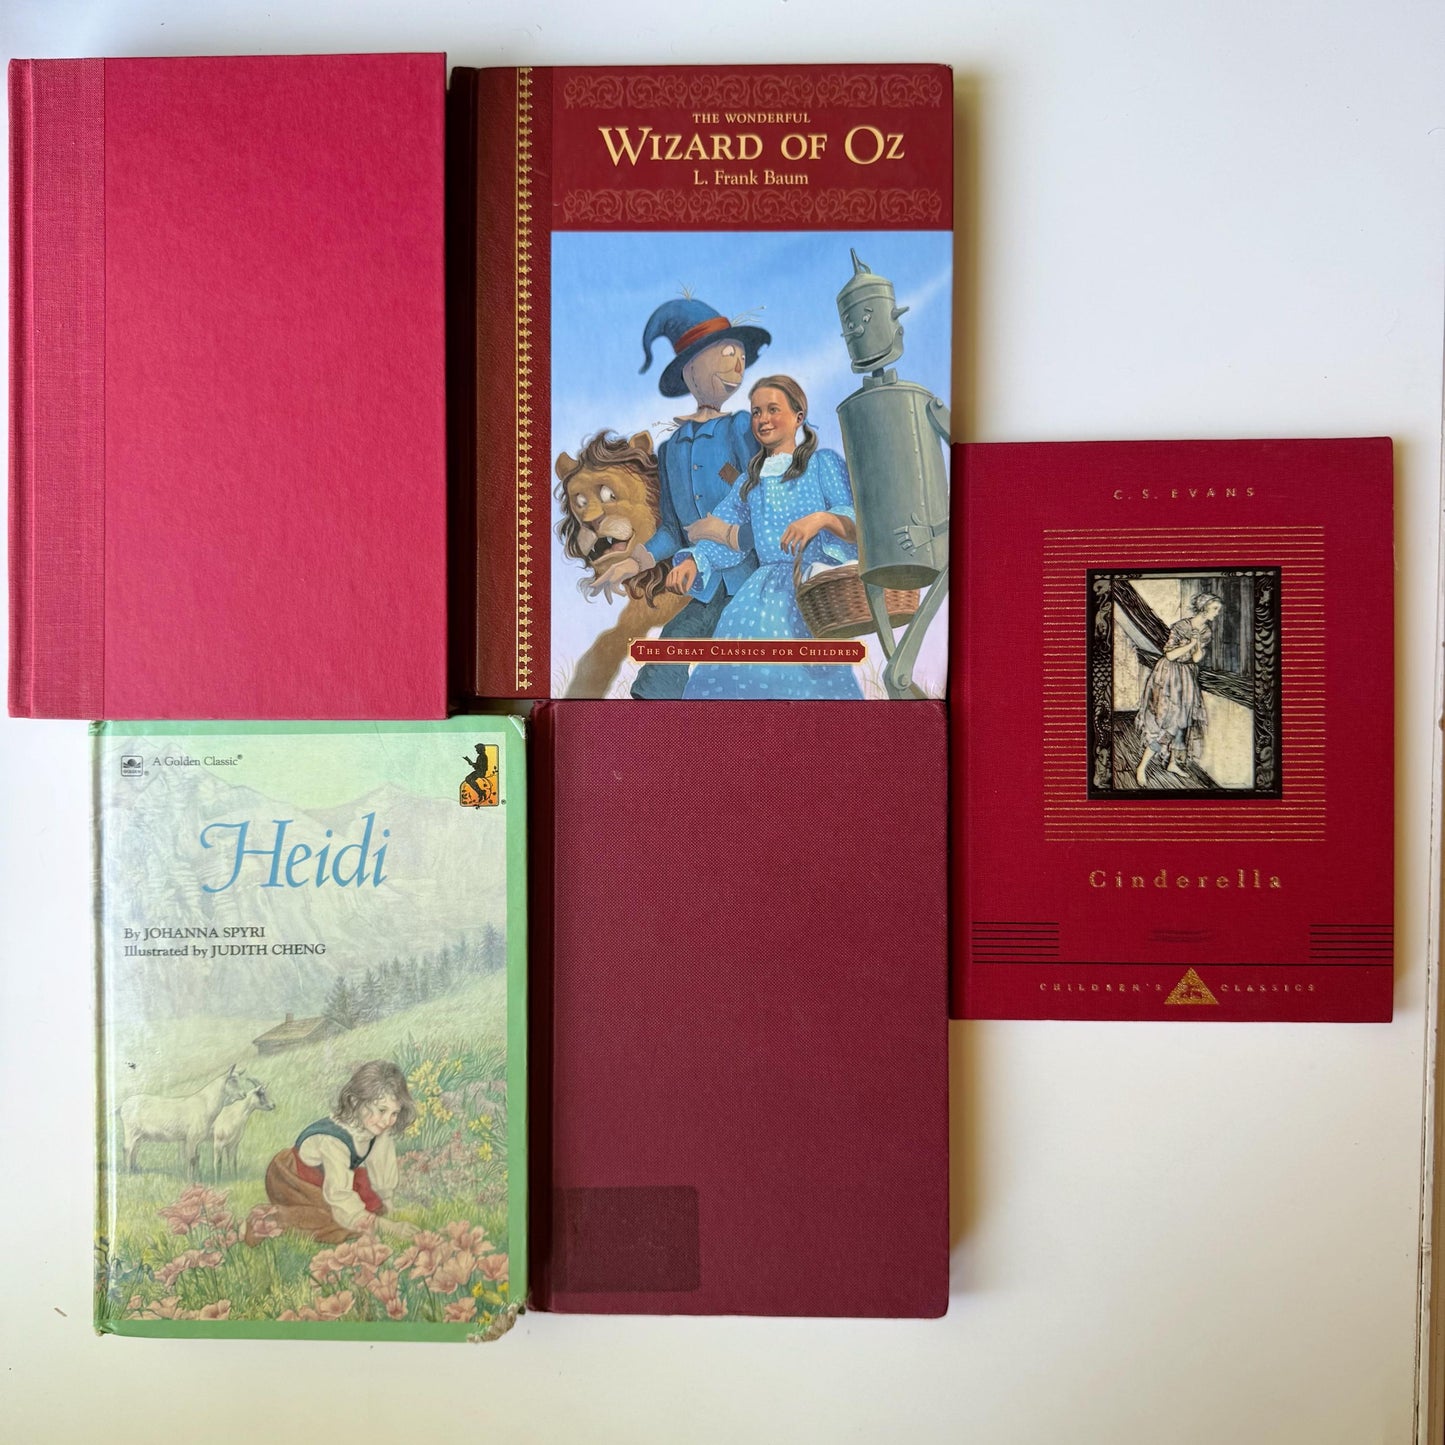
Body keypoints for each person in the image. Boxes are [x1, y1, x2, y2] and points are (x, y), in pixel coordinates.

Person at [592, 296, 770, 699]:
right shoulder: (671, 449)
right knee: (660, 671)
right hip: (706, 587)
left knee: (729, 677)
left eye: (741, 357)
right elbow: (673, 530)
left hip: (752, 582)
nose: (738, 366)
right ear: (690, 368)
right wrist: (633, 563)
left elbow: (761, 500)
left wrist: (728, 535)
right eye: (727, 354)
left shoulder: (741, 428)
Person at [667, 375, 864, 700]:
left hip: (814, 592)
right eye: (756, 412)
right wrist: (694, 561)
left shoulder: (822, 464)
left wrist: (821, 519)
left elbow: (855, 524)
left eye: (773, 409)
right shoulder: (750, 481)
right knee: (733, 668)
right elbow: (725, 533)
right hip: (761, 594)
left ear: (798, 416)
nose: (763, 419)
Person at [253, 1059, 418, 1244]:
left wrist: (387, 1204)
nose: (387, 1120)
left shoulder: (377, 1126)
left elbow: (381, 1163)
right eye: (381, 1110)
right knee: (330, 1221)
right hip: (294, 1180)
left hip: (330, 1176)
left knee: (369, 1201)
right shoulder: (333, 1141)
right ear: (355, 1101)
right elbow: (339, 1195)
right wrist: (390, 1227)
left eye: (394, 1113)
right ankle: (267, 1219)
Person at [1134, 592, 1224, 785]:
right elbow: (1170, 656)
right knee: (1168, 723)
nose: (1217, 613)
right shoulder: (1181, 626)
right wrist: (1190, 643)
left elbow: (1196, 658)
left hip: (1187, 676)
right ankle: (1142, 766)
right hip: (1169, 675)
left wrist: (1197, 644)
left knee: (1183, 723)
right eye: (1215, 609)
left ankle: (1172, 763)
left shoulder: (1206, 631)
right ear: (1204, 608)